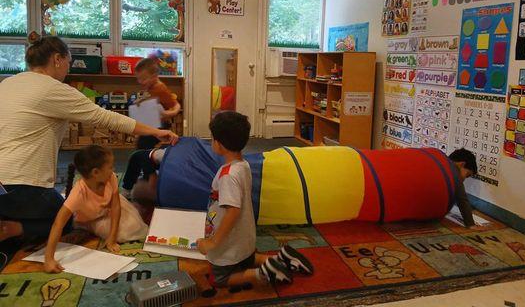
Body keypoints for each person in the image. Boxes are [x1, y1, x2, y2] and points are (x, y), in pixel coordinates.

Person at [0, 33, 178, 244]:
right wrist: (156, 131)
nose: (68, 69)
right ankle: (13, 227)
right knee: (67, 220)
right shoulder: (54, 89)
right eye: (68, 63)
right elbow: (106, 118)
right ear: (57, 59)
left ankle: (11, 220)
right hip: (22, 186)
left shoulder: (7, 84)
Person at [195, 112, 314, 288]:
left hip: (229, 244)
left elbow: (232, 211)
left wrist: (212, 242)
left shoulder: (227, 175)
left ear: (219, 144)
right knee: (247, 260)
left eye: (212, 138)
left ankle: (263, 272)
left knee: (220, 279)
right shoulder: (243, 165)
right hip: (245, 241)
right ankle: (281, 259)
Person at [44, 145, 148, 273]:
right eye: (110, 167)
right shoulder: (78, 193)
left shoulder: (111, 177)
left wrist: (112, 237)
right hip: (90, 219)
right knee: (124, 234)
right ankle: (84, 231)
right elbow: (58, 223)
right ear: (95, 173)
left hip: (108, 208)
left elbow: (116, 205)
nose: (113, 169)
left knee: (135, 225)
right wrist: (49, 259)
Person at [134, 58, 181, 150]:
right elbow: (152, 97)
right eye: (138, 78)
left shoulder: (160, 88)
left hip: (160, 125)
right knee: (142, 145)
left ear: (154, 76)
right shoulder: (150, 86)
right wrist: (141, 100)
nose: (140, 82)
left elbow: (176, 106)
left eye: (143, 79)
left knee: (143, 147)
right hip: (152, 122)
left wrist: (165, 113)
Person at [449, 148, 477, 227]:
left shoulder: (440, 161)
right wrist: (471, 225)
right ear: (461, 164)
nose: (463, 180)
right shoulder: (454, 174)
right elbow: (462, 201)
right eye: (467, 175)